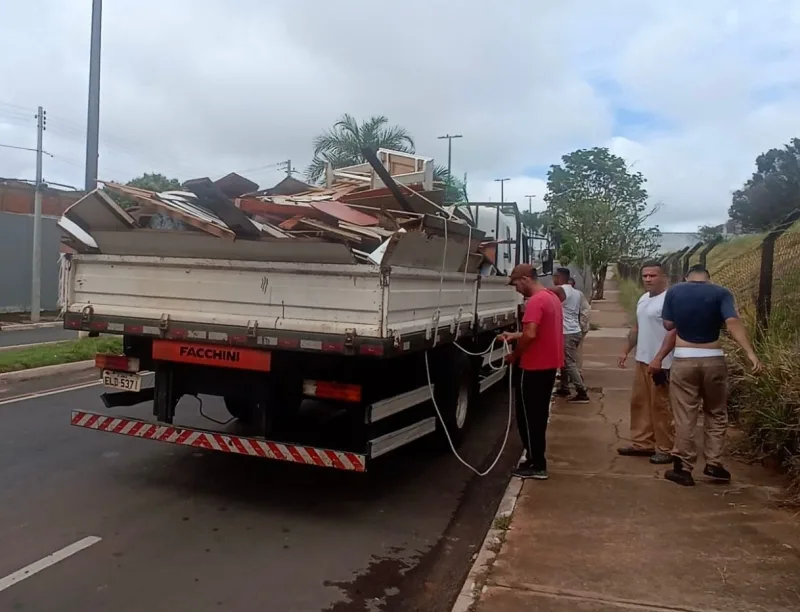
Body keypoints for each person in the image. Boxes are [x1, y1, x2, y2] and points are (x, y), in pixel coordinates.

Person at [661, 264, 762, 487]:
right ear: (709, 278)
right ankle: (714, 463)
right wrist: (750, 353)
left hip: (684, 358)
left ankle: (683, 468)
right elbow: (733, 321)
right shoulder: (721, 292)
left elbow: (668, 324)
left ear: (687, 277)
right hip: (714, 358)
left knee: (685, 414)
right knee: (716, 412)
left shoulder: (675, 291)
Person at [499, 263, 564, 480]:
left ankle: (537, 464)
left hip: (533, 367)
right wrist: (515, 335)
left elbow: (531, 335)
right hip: (548, 365)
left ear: (526, 279)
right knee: (538, 415)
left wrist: (514, 356)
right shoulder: (551, 298)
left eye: (516, 283)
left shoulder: (535, 302)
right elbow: (537, 332)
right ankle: (535, 459)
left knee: (528, 417)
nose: (516, 288)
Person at [617, 261, 676, 465]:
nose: (648, 279)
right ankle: (642, 443)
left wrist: (659, 358)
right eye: (645, 276)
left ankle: (666, 448)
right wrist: (626, 350)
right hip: (642, 360)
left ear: (664, 277)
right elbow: (637, 327)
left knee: (661, 406)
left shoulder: (669, 299)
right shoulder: (643, 299)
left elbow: (674, 331)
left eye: (653, 276)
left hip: (662, 363)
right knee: (640, 403)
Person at [551, 268, 590, 403]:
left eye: (554, 276)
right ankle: (564, 387)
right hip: (574, 330)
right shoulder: (576, 292)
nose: (553, 279)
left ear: (559, 277)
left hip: (567, 332)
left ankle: (582, 392)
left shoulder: (561, 290)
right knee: (564, 362)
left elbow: (544, 291)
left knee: (569, 363)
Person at [569, 277, 592, 373]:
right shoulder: (562, 295)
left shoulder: (578, 295)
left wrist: (581, 324)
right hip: (568, 328)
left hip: (579, 327)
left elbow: (586, 310)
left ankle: (578, 371)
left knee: (577, 350)